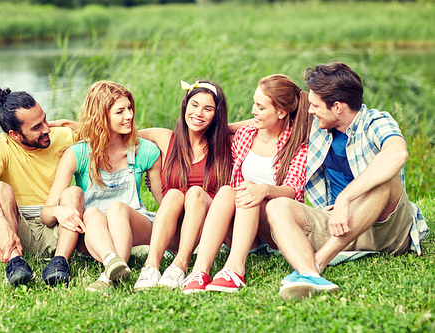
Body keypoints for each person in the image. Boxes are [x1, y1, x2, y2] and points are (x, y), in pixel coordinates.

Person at [264, 62, 429, 301]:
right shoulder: (319, 126)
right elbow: (267, 122)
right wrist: (218, 128)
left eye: (316, 106)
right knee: (277, 205)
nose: (310, 111)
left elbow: (397, 154)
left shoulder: (376, 122)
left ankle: (319, 262)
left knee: (385, 177)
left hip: (388, 228)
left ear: (338, 107)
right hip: (341, 226)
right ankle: (310, 275)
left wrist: (346, 197)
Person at [181, 74, 313, 293]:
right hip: (240, 228)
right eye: (254, 103)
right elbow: (221, 131)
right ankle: (199, 271)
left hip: (272, 227)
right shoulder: (245, 135)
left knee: (249, 189)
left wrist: (264, 190)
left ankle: (235, 269)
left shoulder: (298, 143)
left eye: (260, 107)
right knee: (226, 191)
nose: (253, 111)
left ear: (281, 112)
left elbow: (292, 190)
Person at [41, 81, 163, 291]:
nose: (129, 116)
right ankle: (112, 262)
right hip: (96, 234)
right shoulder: (77, 154)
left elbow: (164, 203)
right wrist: (59, 211)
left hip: (135, 223)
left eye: (129, 108)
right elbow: (46, 213)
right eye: (120, 111)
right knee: (91, 213)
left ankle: (107, 278)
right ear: (101, 116)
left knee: (116, 208)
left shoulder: (146, 151)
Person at [0, 87, 82, 286]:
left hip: (55, 227)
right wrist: (2, 228)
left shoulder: (61, 135)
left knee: (73, 192)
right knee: (0, 188)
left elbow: (104, 133)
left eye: (45, 120)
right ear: (14, 134)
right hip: (14, 226)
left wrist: (63, 123)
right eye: (36, 127)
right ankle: (15, 262)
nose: (47, 129)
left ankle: (60, 262)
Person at [133, 80, 233, 290]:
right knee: (173, 195)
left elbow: (260, 122)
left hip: (208, 231)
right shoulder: (166, 138)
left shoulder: (227, 142)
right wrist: (71, 126)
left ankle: (180, 265)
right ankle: (151, 266)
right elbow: (118, 133)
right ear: (185, 105)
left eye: (208, 109)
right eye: (194, 105)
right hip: (173, 230)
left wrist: (226, 127)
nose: (198, 113)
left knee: (196, 192)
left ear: (217, 114)